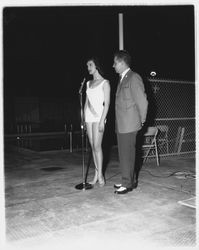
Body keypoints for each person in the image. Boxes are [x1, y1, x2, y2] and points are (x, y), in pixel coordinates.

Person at [113, 50, 148, 194]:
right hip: (122, 124)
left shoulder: (134, 77)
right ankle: (127, 180)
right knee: (123, 154)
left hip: (129, 124)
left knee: (127, 154)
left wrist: (141, 121)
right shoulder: (123, 78)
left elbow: (142, 101)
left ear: (121, 63)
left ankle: (127, 184)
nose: (113, 65)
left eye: (115, 63)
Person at [84, 57, 111, 187]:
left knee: (97, 146)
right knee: (92, 146)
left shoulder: (105, 83)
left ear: (97, 66)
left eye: (90, 65)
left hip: (99, 117)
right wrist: (84, 119)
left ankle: (100, 175)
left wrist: (102, 121)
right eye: (87, 65)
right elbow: (86, 102)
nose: (88, 67)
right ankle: (96, 174)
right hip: (89, 117)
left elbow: (107, 105)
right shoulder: (88, 83)